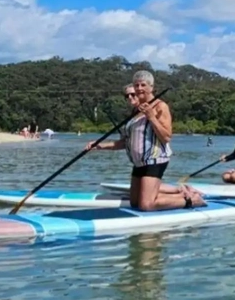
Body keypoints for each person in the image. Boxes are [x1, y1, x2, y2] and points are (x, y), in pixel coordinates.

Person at [87, 71, 205, 210]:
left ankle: (191, 200)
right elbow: (126, 143)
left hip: (154, 160)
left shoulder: (160, 106)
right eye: (136, 85)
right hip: (139, 162)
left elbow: (166, 137)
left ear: (151, 87)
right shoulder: (135, 111)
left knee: (146, 205)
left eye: (143, 85)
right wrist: (99, 146)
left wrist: (152, 117)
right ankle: (183, 194)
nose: (139, 88)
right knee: (135, 203)